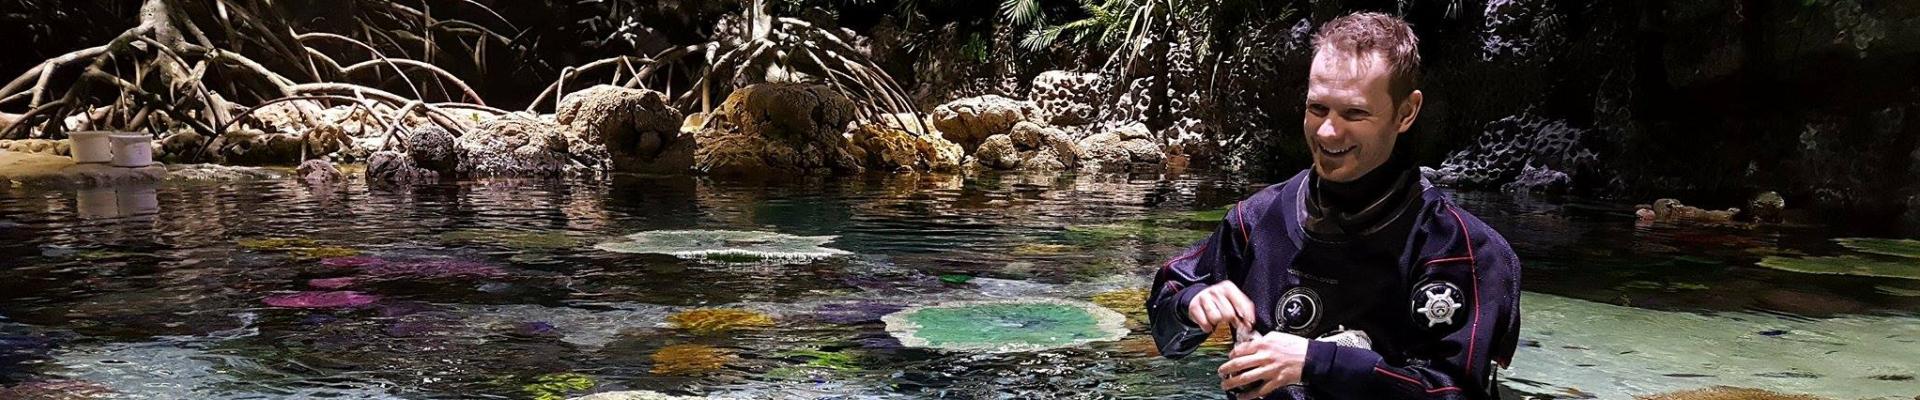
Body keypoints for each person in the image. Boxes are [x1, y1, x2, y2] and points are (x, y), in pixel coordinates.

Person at [1145, 12, 1522, 400]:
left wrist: (1317, 363)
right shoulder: (1256, 219)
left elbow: (1454, 390)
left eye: (1354, 113)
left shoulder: (1459, 249)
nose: (1328, 131)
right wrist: (1191, 304)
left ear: (1406, 112)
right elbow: (1169, 321)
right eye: (1318, 109)